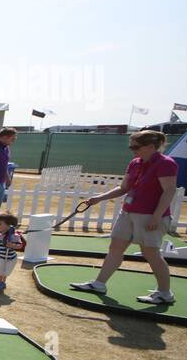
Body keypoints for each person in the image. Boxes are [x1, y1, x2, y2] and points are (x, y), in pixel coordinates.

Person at [69, 130, 178, 304]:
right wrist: (99, 198)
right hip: (128, 211)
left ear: (151, 147)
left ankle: (165, 293)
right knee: (115, 247)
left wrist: (156, 216)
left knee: (150, 252)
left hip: (150, 215)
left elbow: (169, 190)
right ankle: (99, 283)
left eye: (136, 147)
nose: (132, 150)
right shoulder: (135, 163)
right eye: (130, 146)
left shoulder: (166, 163)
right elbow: (124, 187)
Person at [0, 212, 26, 293]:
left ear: (10, 226)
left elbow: (20, 246)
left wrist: (11, 245)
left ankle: (2, 283)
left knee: (5, 272)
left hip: (10, 259)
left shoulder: (14, 236)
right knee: (0, 271)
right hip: (0, 257)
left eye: (0, 224)